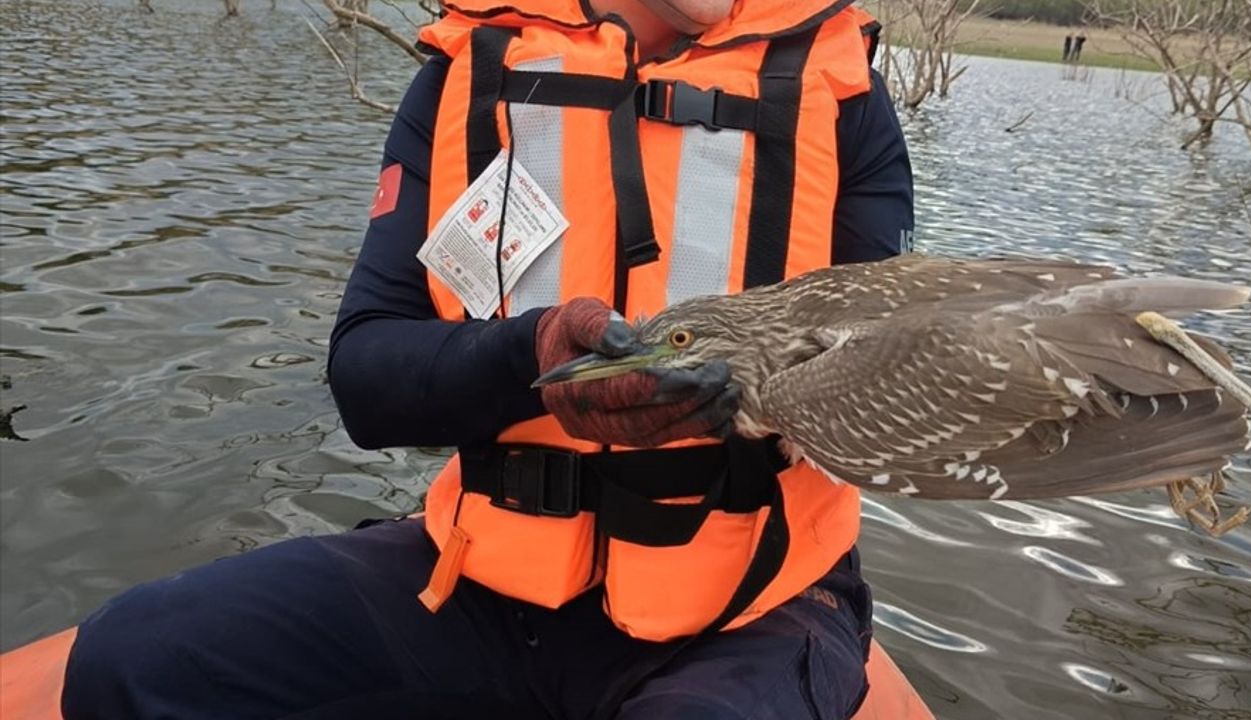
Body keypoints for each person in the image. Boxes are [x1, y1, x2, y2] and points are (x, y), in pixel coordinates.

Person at [60, 0, 914, 718]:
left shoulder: (845, 99)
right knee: (128, 660)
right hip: (484, 582)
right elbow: (366, 376)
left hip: (755, 610)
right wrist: (529, 353)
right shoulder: (468, 70)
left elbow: (893, 390)